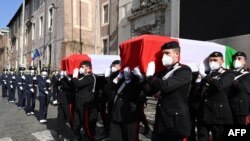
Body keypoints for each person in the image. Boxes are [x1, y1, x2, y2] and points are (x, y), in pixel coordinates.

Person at [145, 41, 192, 141]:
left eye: (167, 53)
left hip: (175, 121)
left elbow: (166, 86)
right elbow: (149, 91)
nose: (164, 56)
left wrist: (150, 77)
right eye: (163, 54)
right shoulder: (163, 72)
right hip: (161, 119)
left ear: (177, 54)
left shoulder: (184, 70)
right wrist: (142, 78)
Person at [197, 51, 234, 141]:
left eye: (215, 60)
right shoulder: (207, 73)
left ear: (222, 61)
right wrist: (198, 80)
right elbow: (198, 93)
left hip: (218, 115)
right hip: (203, 113)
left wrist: (204, 76)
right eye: (210, 60)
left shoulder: (228, 73)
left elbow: (219, 85)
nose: (212, 62)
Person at [109, 67, 142, 141]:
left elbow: (133, 93)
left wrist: (140, 77)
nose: (126, 71)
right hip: (116, 114)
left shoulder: (136, 82)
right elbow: (109, 88)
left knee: (129, 137)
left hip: (128, 116)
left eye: (128, 69)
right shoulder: (121, 80)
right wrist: (118, 77)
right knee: (115, 137)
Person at [71, 61, 96, 141]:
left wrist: (74, 77)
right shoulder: (83, 76)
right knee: (76, 122)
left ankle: (91, 138)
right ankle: (76, 136)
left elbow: (78, 84)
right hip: (78, 103)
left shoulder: (90, 77)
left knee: (86, 123)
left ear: (88, 67)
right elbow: (74, 85)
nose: (81, 68)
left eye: (82, 67)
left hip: (85, 104)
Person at [228, 52, 250, 125]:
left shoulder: (247, 75)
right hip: (228, 108)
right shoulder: (228, 73)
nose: (236, 60)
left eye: (239, 58)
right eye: (235, 59)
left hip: (240, 109)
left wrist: (231, 79)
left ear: (244, 62)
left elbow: (242, 88)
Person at [55, 70, 74, 140]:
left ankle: (75, 133)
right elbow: (56, 85)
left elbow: (68, 87)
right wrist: (59, 78)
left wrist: (65, 78)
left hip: (68, 101)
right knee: (60, 118)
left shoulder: (72, 78)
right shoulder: (62, 78)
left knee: (70, 118)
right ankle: (60, 132)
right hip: (61, 100)